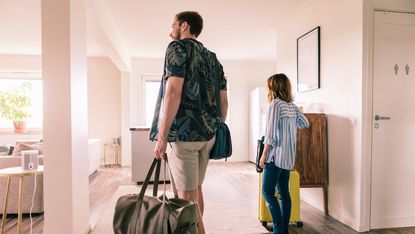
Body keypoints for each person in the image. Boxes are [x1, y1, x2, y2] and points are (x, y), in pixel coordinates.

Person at [149, 11, 228, 234]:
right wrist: (215, 127)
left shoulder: (177, 48)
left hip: (184, 136)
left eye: (172, 23)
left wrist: (162, 136)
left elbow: (173, 92)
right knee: (195, 190)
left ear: (184, 26)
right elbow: (224, 101)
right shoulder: (214, 58)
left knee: (186, 198)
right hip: (208, 136)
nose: (170, 29)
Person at [259, 73, 309, 234]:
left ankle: (279, 230)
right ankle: (283, 229)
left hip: (275, 157)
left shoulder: (275, 104)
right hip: (288, 158)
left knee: (267, 191)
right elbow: (305, 123)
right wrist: (295, 113)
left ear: (274, 87)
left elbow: (271, 134)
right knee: (284, 193)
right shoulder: (292, 106)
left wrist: (263, 155)